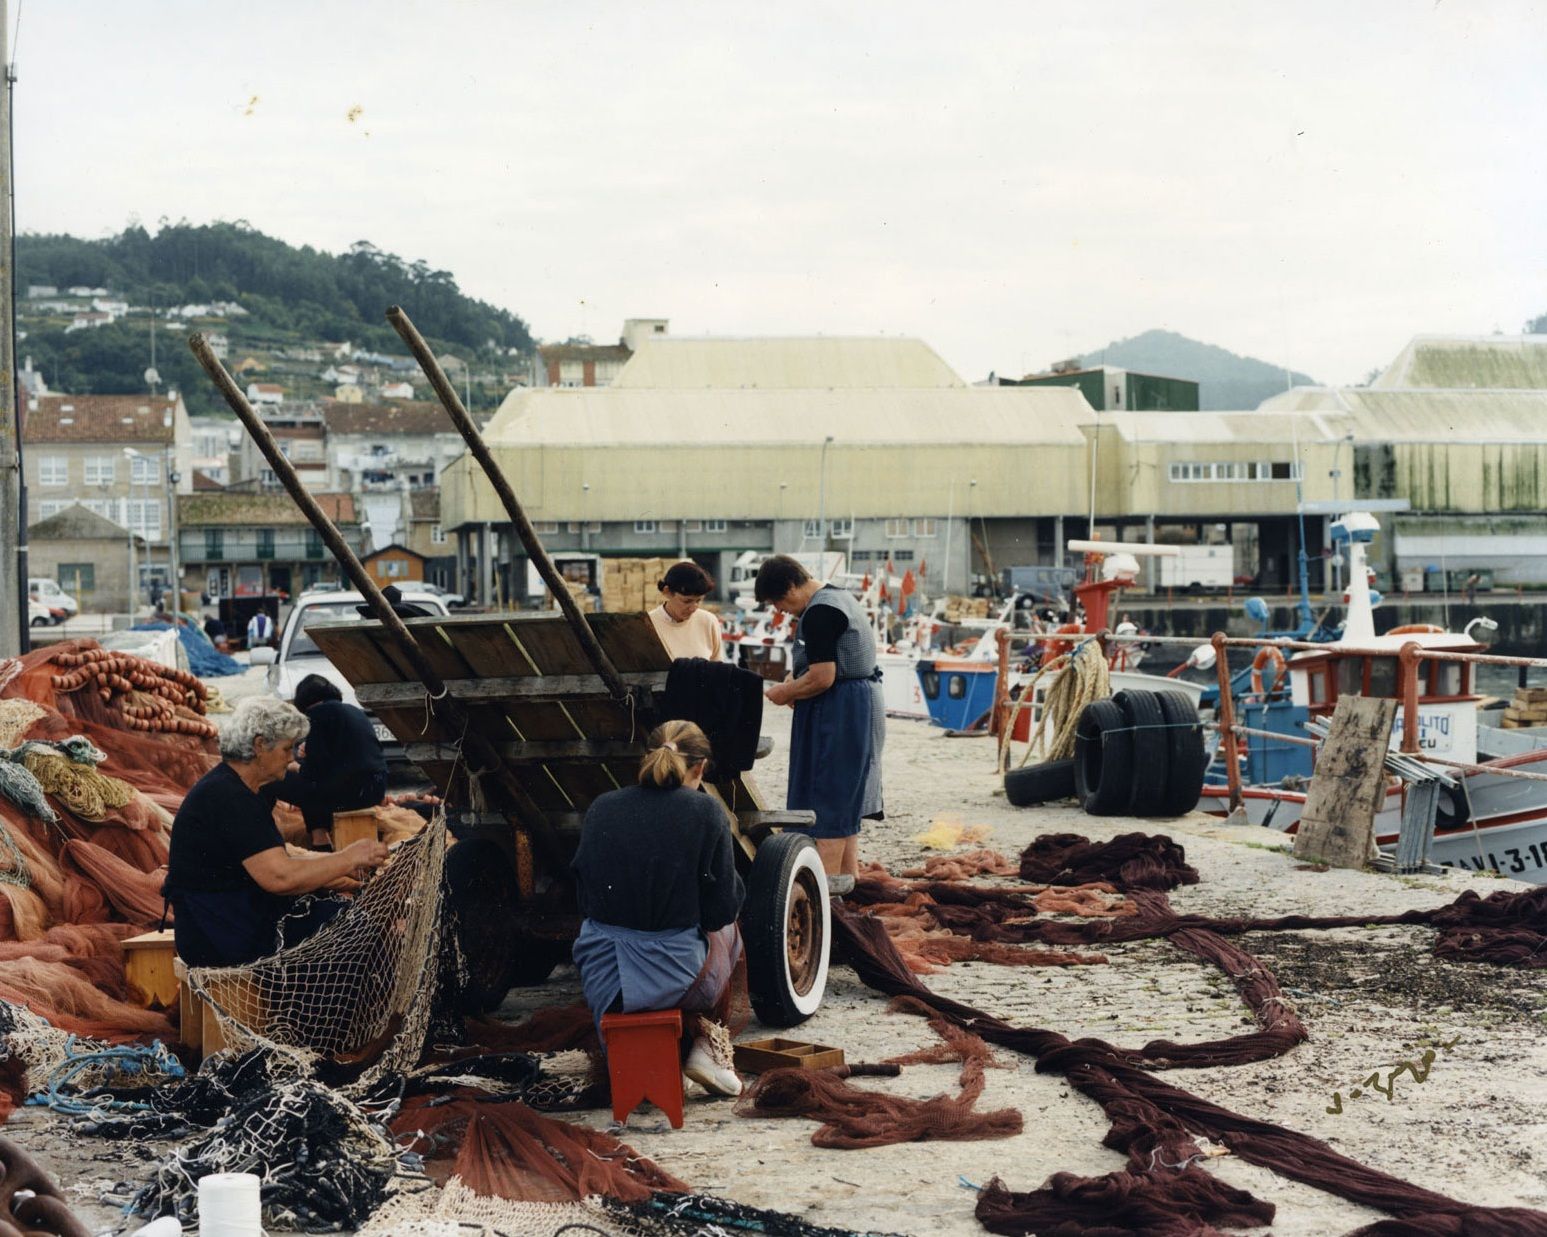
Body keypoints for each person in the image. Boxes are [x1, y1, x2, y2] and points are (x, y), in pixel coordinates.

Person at [570, 720, 746, 1097]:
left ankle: (662, 1057)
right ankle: (707, 1047)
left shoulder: (603, 807)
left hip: (606, 981)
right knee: (729, 931)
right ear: (699, 768)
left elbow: (584, 896)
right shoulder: (707, 812)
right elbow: (721, 911)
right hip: (675, 980)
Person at [163, 697, 389, 967]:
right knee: (353, 930)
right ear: (259, 746)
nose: (292, 758)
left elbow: (272, 863)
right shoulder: (228, 798)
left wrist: (337, 866)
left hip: (230, 918)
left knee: (345, 914)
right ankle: (310, 1010)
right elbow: (280, 877)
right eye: (286, 749)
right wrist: (349, 858)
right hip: (218, 934)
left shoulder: (241, 788)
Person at [755, 555, 883, 894]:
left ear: (792, 586)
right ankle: (847, 887)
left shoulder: (821, 612)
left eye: (779, 602)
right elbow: (819, 666)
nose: (780, 611)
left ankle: (824, 898)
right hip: (854, 704)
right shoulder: (838, 597)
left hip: (839, 710)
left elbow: (823, 677)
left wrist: (786, 692)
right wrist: (796, 678)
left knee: (827, 800)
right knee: (844, 802)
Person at [267, 673, 389, 850]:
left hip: (350, 793)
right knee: (316, 785)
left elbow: (314, 771)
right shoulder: (354, 711)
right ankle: (321, 838)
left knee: (270, 781)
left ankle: (319, 840)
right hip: (375, 790)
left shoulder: (316, 715)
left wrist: (294, 766)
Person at [648, 561, 724, 662]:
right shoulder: (648, 625)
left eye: (698, 600)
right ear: (667, 592)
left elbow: (718, 669)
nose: (693, 608)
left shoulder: (708, 622)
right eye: (687, 601)